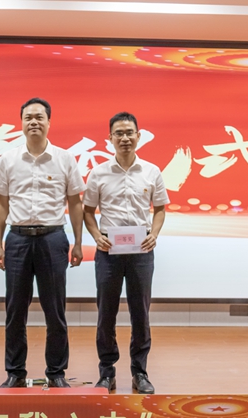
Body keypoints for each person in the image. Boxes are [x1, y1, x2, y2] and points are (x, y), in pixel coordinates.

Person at [0, 97, 85, 388]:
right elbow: (1, 204)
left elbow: (75, 202)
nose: (34, 122)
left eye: (39, 117)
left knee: (55, 311)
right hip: (18, 239)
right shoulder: (9, 159)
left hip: (52, 239)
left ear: (48, 122)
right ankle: (15, 372)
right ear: (21, 123)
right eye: (28, 118)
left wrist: (78, 242)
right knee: (14, 311)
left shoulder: (64, 158)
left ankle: (56, 373)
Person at [83, 112, 169, 394]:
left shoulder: (151, 171)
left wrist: (154, 234)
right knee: (106, 313)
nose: (124, 138)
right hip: (109, 251)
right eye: (118, 133)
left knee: (140, 314)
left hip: (141, 251)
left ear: (138, 136)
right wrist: (96, 236)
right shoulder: (99, 173)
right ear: (110, 138)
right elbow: (88, 211)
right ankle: (106, 372)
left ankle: (139, 372)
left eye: (129, 132)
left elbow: (160, 209)